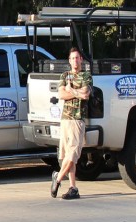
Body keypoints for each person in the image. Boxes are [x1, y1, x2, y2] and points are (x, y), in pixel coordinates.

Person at [51, 48, 92, 199]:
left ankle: (58, 178)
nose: (75, 61)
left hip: (77, 119)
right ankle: (73, 187)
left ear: (81, 60)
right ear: (69, 61)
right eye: (72, 58)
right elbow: (61, 94)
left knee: (73, 155)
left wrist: (71, 90)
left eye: (77, 58)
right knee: (67, 155)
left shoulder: (86, 76)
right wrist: (76, 92)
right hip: (65, 119)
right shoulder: (65, 75)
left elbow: (86, 94)